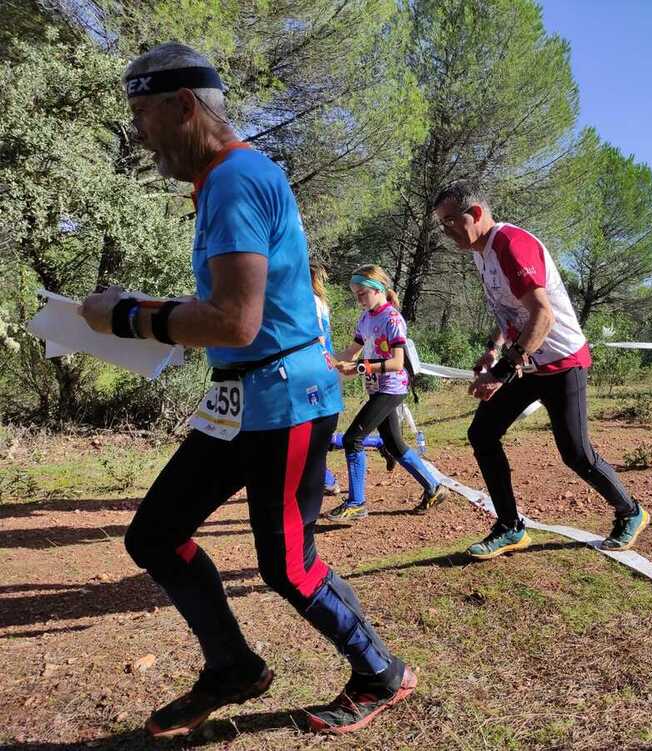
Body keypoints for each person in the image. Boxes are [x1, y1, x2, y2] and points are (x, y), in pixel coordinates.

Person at [80, 43, 414, 738]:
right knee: (156, 533)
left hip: (286, 399)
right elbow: (232, 309)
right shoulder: (222, 182)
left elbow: (236, 320)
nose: (137, 133)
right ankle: (232, 664)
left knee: (287, 563)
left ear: (183, 106)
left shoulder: (235, 178)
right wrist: (146, 309)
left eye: (142, 114)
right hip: (239, 399)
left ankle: (382, 671)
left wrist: (127, 316)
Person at [432, 180, 649, 559]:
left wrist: (499, 373)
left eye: (450, 221)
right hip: (528, 362)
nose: (446, 231)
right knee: (482, 433)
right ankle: (510, 526)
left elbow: (542, 315)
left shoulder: (510, 245)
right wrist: (493, 350)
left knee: (576, 453)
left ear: (477, 214)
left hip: (563, 363)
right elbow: (511, 312)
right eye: (441, 223)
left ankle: (630, 511)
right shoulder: (480, 253)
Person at [326, 265, 449, 524]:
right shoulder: (365, 318)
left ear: (378, 290)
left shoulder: (392, 319)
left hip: (391, 389)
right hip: (376, 388)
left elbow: (396, 362)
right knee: (393, 443)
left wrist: (360, 368)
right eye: (356, 294)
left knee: (353, 439)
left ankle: (357, 503)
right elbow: (351, 353)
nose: (358, 299)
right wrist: (326, 359)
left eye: (362, 293)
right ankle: (434, 487)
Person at [310, 261, 340, 495]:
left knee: (313, 429)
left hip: (318, 368)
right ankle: (381, 444)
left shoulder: (311, 301)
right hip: (325, 366)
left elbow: (319, 338)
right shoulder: (320, 301)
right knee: (317, 428)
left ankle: (327, 479)